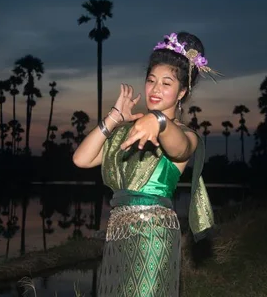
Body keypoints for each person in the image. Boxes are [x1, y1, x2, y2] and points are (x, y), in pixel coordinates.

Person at [73, 31, 218, 297]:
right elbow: (81, 159)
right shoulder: (131, 129)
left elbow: (180, 148)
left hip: (154, 236)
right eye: (151, 80)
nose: (154, 89)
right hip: (118, 234)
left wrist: (159, 122)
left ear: (182, 92)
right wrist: (115, 117)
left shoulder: (185, 135)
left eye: (166, 83)